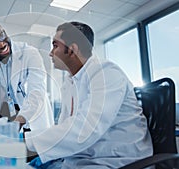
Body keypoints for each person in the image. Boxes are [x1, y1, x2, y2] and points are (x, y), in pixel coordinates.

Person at [25, 21, 153, 168]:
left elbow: (85, 130)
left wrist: (28, 143)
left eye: (55, 46)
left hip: (116, 160)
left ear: (72, 50)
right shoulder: (70, 82)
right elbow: (67, 127)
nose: (50, 53)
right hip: (84, 157)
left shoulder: (106, 73)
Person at [0, 19, 54, 134]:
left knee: (33, 149)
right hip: (7, 123)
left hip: (32, 122)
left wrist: (20, 120)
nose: (1, 44)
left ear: (4, 32)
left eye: (2, 36)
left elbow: (37, 92)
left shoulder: (29, 53)